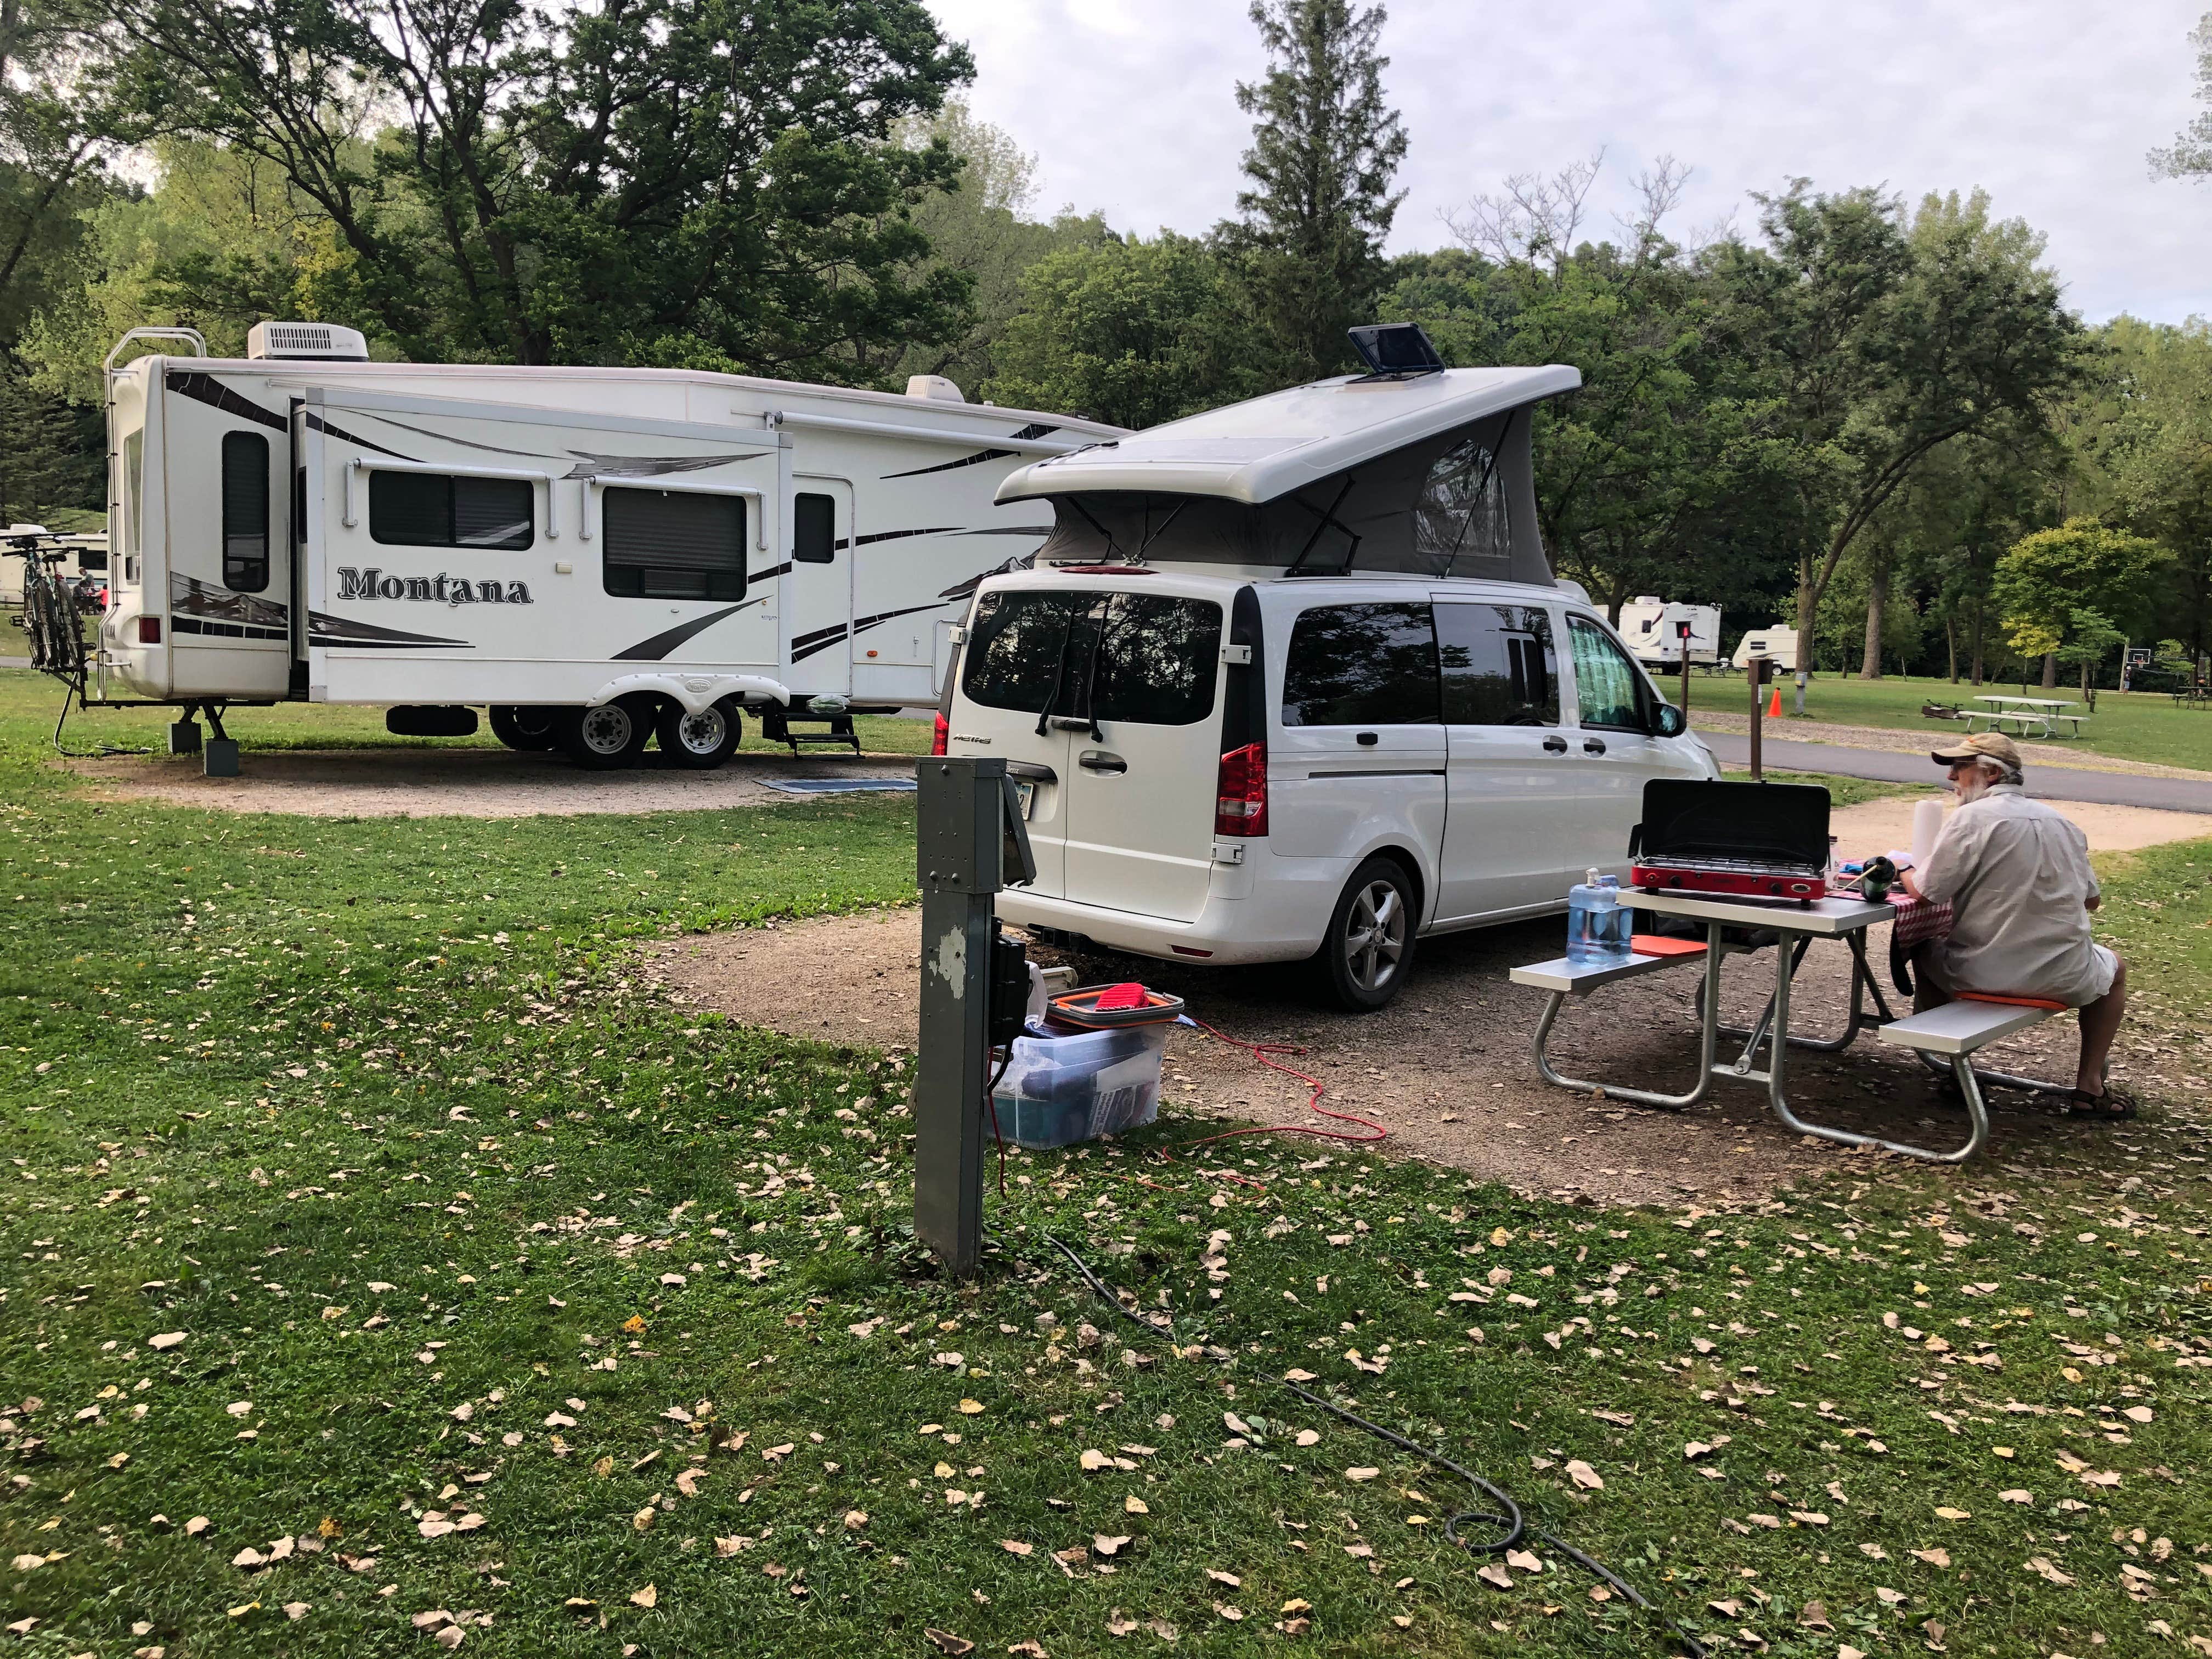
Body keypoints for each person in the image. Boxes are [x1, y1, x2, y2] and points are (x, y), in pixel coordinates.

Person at [1900, 732, 2132, 1117]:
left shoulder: (1972, 819)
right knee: (2116, 968)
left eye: (1960, 767)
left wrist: (1904, 870)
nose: (1952, 777)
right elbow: (2091, 901)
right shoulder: (2063, 823)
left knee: (1924, 949)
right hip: (2065, 976)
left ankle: (1956, 1069)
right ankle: (2090, 1086)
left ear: (1991, 773)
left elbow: (1927, 893)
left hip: (1982, 974)